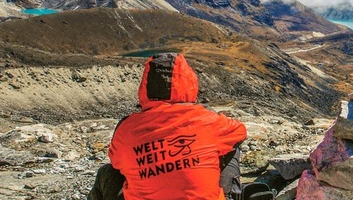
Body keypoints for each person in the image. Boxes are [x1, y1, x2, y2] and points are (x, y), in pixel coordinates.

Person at [89, 53, 247, 200]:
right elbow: (240, 131)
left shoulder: (126, 129)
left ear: (145, 86)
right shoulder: (208, 121)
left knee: (108, 171)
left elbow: (117, 162)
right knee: (231, 146)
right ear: (189, 83)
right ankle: (231, 196)